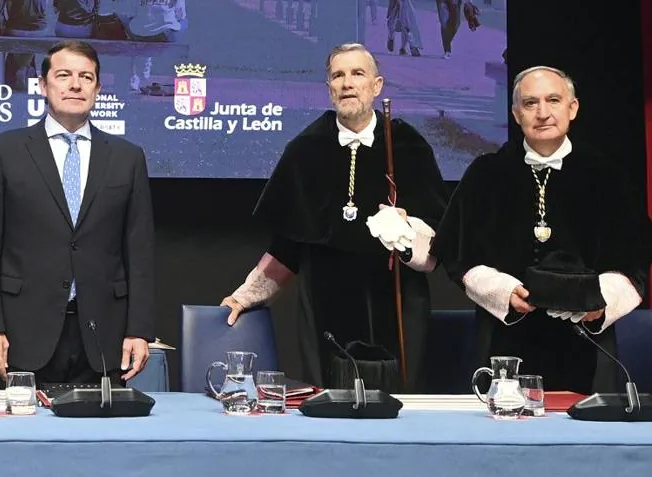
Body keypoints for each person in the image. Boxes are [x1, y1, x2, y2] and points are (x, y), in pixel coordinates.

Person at [221, 43, 448, 392]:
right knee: (329, 405)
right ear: (329, 88)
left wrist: (406, 231)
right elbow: (288, 246)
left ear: (377, 85)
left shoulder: (407, 145)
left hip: (397, 301)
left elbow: (436, 239)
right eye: (338, 76)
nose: (347, 83)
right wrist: (244, 296)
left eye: (357, 74)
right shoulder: (305, 149)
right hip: (324, 306)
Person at [434, 66, 649, 393]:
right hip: (503, 338)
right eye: (531, 103)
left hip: (588, 339)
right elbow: (454, 252)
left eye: (553, 100)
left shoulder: (607, 177)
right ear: (516, 113)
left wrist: (601, 300)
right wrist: (499, 290)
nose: (543, 113)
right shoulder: (486, 174)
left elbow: (636, 258)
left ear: (572, 108)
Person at [0, 40, 154, 385]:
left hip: (103, 336)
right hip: (21, 333)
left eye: (86, 77)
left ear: (97, 88)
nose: (75, 85)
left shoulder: (128, 158)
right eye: (64, 75)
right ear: (42, 85)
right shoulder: (3, 151)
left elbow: (139, 251)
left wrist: (139, 329)